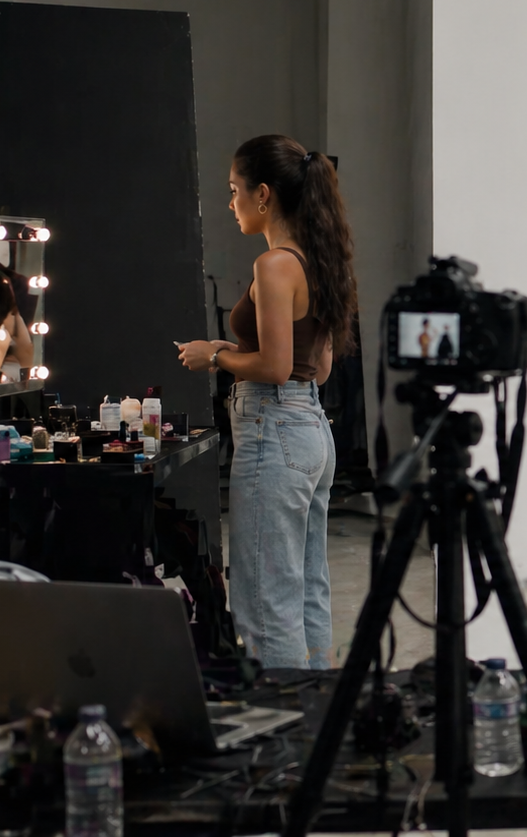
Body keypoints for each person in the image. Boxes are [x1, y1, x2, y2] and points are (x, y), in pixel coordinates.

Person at [176, 135, 357, 670]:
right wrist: (237, 353)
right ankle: (314, 704)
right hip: (311, 428)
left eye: (234, 190)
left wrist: (216, 355)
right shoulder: (320, 261)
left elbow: (276, 368)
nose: (230, 203)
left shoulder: (275, 264)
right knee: (306, 587)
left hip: (273, 427)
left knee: (263, 597)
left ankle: (281, 714)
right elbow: (316, 367)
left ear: (263, 194)